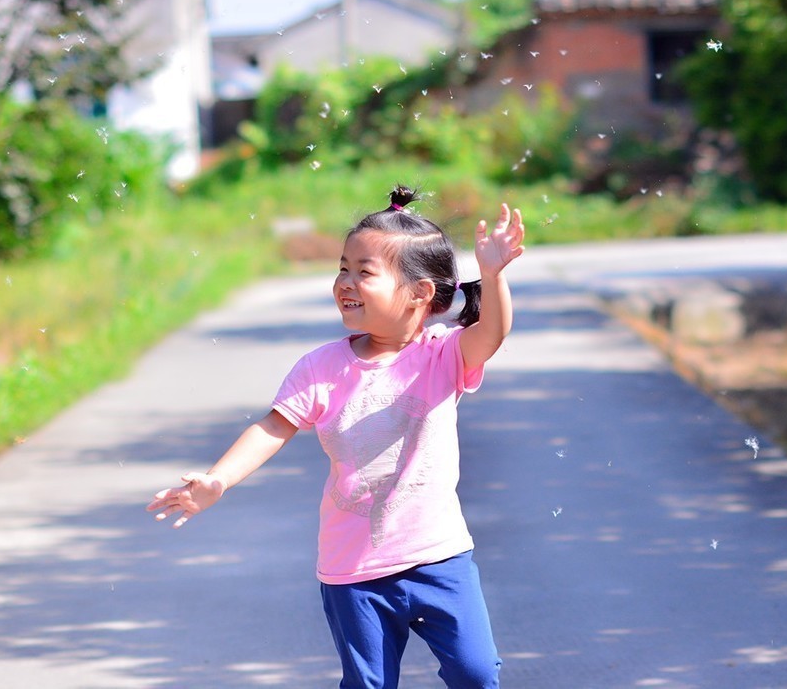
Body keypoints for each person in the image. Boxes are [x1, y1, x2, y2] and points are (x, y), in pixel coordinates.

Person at [146, 185, 525, 688]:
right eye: (343, 267)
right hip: (354, 569)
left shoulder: (442, 355)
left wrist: (494, 275)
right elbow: (272, 426)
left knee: (477, 675)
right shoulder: (321, 367)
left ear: (419, 294)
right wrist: (219, 480)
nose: (345, 281)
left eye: (364, 272)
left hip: (439, 557)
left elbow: (491, 335)